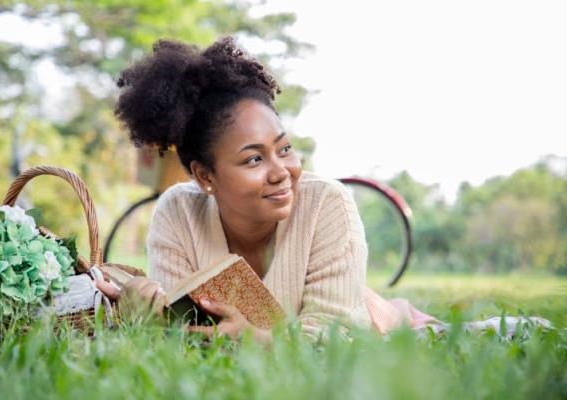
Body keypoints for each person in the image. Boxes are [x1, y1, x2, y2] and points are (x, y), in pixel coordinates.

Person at [98, 36, 439, 343]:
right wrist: (144, 313)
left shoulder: (326, 203)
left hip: (388, 333)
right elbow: (182, 333)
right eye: (253, 160)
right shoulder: (178, 213)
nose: (282, 173)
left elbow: (337, 340)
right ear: (205, 177)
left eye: (285, 149)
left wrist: (258, 342)